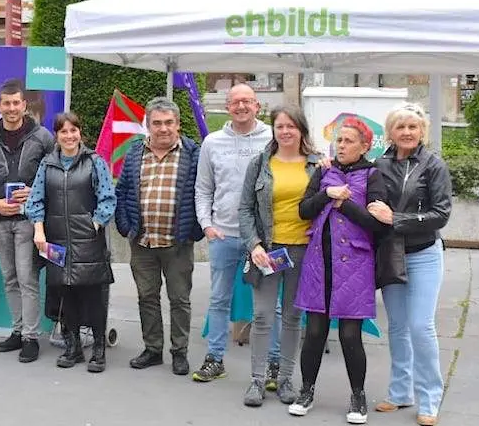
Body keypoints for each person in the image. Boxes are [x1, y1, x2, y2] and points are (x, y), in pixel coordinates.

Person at [290, 118, 390, 424]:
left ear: (364, 146)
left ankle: (358, 396)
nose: (341, 146)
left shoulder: (373, 175)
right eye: (339, 140)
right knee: (315, 331)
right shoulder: (323, 170)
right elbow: (304, 210)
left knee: (350, 335)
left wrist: (345, 205)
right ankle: (306, 391)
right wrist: (327, 195)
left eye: (348, 141)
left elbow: (377, 224)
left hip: (356, 264)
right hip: (320, 261)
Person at [370, 103, 453, 426]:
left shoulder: (434, 165)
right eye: (400, 127)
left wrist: (397, 218)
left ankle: (429, 397)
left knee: (421, 326)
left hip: (424, 254)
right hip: (391, 254)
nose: (407, 132)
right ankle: (400, 391)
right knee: (398, 327)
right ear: (390, 132)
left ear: (422, 132)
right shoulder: (379, 165)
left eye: (413, 127)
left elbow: (441, 214)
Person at [237, 104, 323, 407]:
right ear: (273, 130)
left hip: (304, 251)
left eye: (291, 126)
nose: (285, 131)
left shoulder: (317, 166)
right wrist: (254, 245)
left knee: (292, 317)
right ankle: (257, 381)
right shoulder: (260, 163)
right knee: (261, 315)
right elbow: (245, 209)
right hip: (269, 251)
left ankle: (286, 379)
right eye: (279, 126)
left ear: (301, 130)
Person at [115, 97, 203, 376]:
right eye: (157, 123)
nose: (163, 128)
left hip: (177, 242)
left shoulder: (193, 153)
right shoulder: (134, 152)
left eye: (168, 122)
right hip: (143, 241)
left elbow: (203, 192)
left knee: (180, 299)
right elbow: (123, 191)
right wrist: (125, 226)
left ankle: (180, 352)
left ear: (177, 124)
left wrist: (193, 230)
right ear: (148, 125)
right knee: (147, 297)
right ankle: (153, 349)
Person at [0, 79, 55, 363]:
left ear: (23, 105)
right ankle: (17, 331)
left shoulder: (42, 137)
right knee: (9, 278)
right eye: (5, 103)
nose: (11, 109)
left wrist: (35, 192)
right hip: (0, 219)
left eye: (16, 103)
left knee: (27, 278)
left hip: (31, 220)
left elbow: (55, 174)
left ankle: (31, 337)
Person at [192, 84, 271, 383]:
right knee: (219, 300)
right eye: (235, 102)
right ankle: (214, 359)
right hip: (223, 234)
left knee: (268, 306)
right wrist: (206, 225)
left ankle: (272, 363)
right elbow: (203, 189)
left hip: (262, 239)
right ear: (227, 107)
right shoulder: (212, 143)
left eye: (247, 101)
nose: (241, 107)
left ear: (257, 106)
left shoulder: (272, 138)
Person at [26, 112, 116, 373]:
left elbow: (108, 198)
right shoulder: (47, 164)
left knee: (92, 296)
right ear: (56, 135)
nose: (69, 136)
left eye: (73, 130)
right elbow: (36, 201)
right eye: (63, 131)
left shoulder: (94, 161)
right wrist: (39, 232)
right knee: (66, 295)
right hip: (56, 243)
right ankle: (73, 346)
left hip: (88, 241)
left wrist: (94, 224)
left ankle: (98, 349)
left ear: (80, 133)